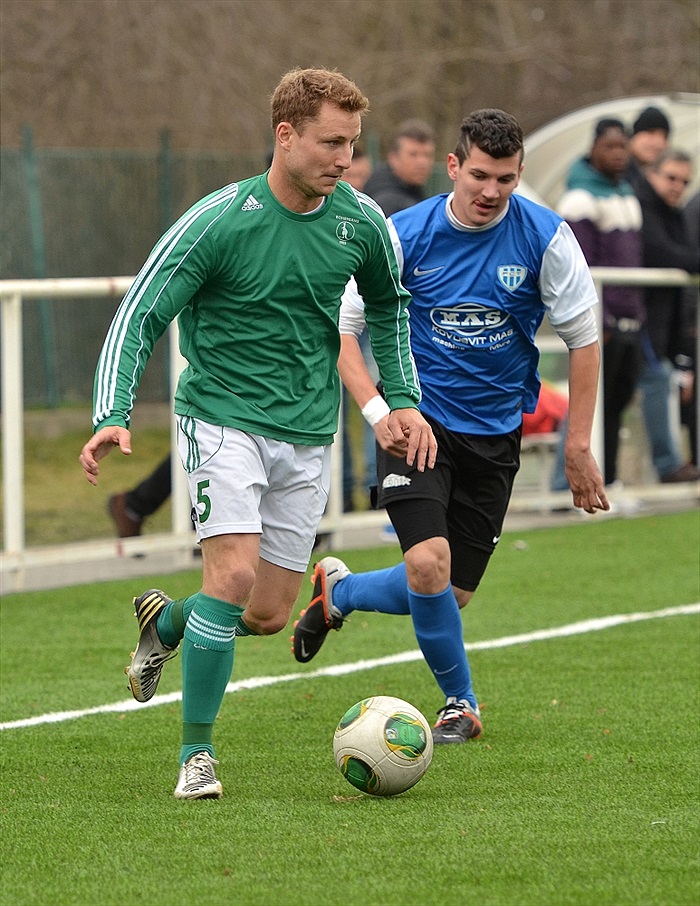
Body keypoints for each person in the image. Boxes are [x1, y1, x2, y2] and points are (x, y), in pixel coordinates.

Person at [79, 67, 437, 800]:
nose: (346, 159)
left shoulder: (361, 222)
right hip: (221, 418)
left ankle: (167, 627)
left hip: (307, 430)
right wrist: (112, 411)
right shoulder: (220, 219)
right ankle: (196, 758)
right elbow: (140, 312)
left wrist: (402, 399)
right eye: (331, 143)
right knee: (232, 577)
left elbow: (390, 308)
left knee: (267, 613)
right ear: (285, 135)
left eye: (353, 143)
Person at [292, 109, 609, 745]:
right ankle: (459, 703)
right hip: (418, 425)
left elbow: (584, 339)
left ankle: (340, 592)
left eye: (506, 180)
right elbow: (342, 331)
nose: (492, 192)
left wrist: (577, 444)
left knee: (451, 591)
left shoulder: (546, 237)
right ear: (454, 167)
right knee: (428, 564)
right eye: (480, 176)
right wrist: (380, 412)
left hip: (495, 433)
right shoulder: (402, 234)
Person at [556, 118, 645, 485]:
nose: (618, 154)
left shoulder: (626, 192)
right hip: (600, 320)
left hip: (630, 318)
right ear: (593, 148)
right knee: (588, 407)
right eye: (610, 146)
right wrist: (600, 319)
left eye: (623, 146)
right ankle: (564, 488)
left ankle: (606, 482)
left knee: (617, 403)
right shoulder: (579, 197)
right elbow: (581, 266)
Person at [635, 149, 700, 483]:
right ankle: (668, 464)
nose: (678, 186)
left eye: (684, 181)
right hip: (635, 316)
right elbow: (662, 253)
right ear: (652, 174)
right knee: (654, 380)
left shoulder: (673, 213)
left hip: (656, 320)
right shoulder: (642, 206)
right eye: (671, 177)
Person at [363, 118, 435, 216]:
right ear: (393, 158)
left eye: (427, 155)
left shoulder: (412, 191)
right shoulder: (389, 203)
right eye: (413, 154)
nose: (422, 162)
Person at [625, 106, 671, 192]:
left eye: (665, 137)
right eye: (651, 132)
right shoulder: (613, 174)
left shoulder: (659, 183)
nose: (659, 144)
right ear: (633, 136)